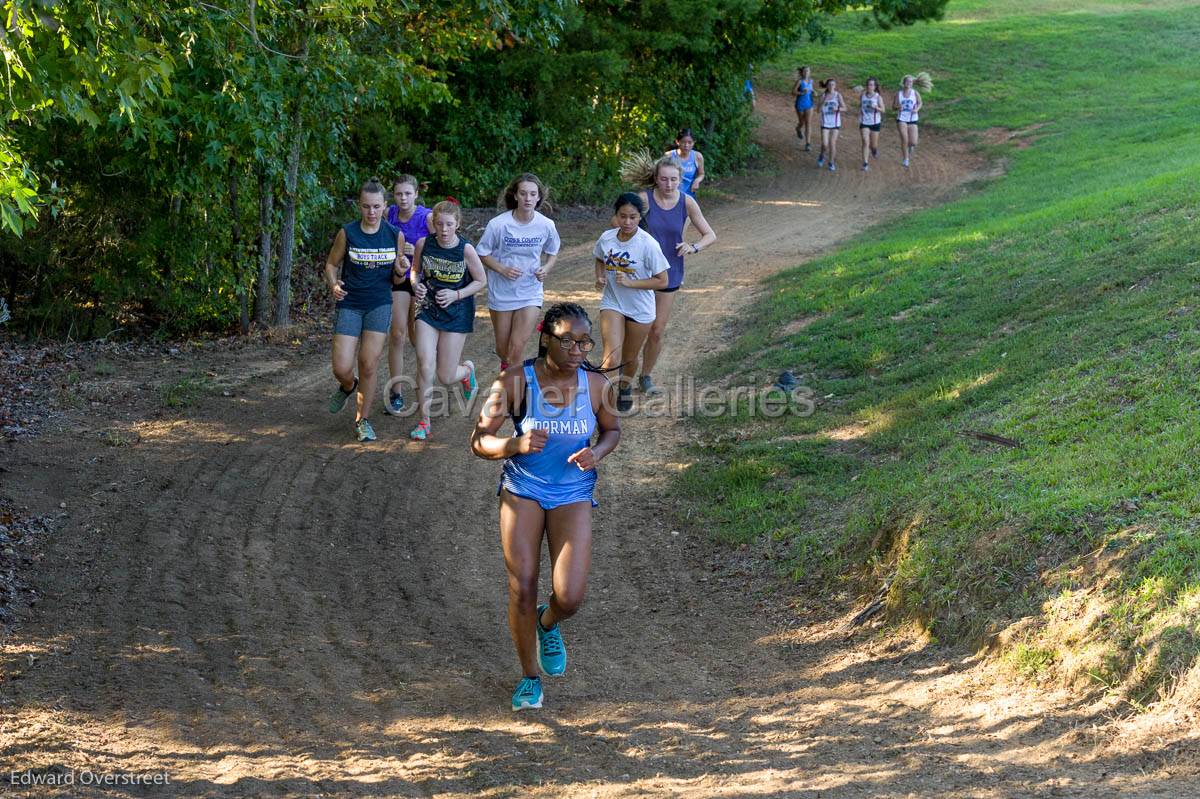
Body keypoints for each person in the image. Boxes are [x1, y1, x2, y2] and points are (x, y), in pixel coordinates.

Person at [470, 302, 621, 711]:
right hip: (523, 489)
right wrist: (512, 445)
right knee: (522, 586)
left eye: (584, 341)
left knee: (569, 597)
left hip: (573, 492)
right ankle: (529, 677)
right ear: (546, 339)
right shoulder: (515, 382)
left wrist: (598, 453)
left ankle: (547, 621)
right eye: (568, 340)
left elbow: (612, 430)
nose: (577, 349)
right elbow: (479, 439)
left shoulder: (596, 385)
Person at [324, 178, 406, 442]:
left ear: (385, 207)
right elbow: (330, 265)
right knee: (341, 367)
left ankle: (363, 420)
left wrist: (400, 272)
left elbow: (396, 279)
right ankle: (349, 385)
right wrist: (334, 284)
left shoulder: (395, 235)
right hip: (350, 302)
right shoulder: (348, 233)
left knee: (369, 364)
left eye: (377, 207)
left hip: (379, 303)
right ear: (359, 206)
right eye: (366, 207)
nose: (371, 213)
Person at [633, 155, 716, 397]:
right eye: (663, 179)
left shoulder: (687, 203)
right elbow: (619, 222)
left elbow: (710, 234)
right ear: (655, 179)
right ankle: (625, 375)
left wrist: (693, 247)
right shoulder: (643, 199)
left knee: (656, 330)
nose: (668, 184)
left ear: (681, 180)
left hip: (670, 271)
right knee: (637, 327)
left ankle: (645, 376)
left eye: (673, 180)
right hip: (640, 270)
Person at [409, 199, 487, 440]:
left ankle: (465, 372)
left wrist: (456, 294)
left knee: (445, 375)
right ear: (432, 223)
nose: (443, 229)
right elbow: (415, 271)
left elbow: (481, 280)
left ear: (458, 224)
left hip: (457, 311)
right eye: (439, 223)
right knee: (425, 363)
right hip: (428, 308)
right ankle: (424, 421)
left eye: (449, 224)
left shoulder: (465, 249)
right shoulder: (424, 243)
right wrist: (416, 286)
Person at [593, 193, 670, 412]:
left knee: (629, 358)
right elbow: (599, 257)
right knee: (611, 357)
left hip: (640, 308)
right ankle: (602, 404)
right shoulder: (607, 237)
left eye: (633, 217)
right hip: (613, 301)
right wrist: (599, 277)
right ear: (616, 215)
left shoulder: (648, 244)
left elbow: (663, 280)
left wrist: (630, 282)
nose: (627, 222)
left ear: (640, 217)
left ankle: (625, 386)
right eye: (622, 216)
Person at [477, 174, 562, 372]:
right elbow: (482, 252)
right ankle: (507, 370)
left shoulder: (546, 225)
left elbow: (553, 252)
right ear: (515, 196)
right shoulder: (498, 224)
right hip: (502, 291)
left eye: (533, 194)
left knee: (516, 349)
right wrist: (502, 269)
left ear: (539, 197)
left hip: (529, 291)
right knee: (503, 349)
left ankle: (511, 394)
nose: (528, 198)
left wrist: (545, 269)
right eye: (523, 193)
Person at [384, 175, 433, 414]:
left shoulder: (427, 217)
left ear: (415, 194)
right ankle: (396, 392)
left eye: (407, 194)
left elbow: (442, 244)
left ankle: (426, 387)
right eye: (398, 194)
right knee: (397, 333)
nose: (403, 198)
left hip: (423, 280)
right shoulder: (389, 214)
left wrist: (419, 250)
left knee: (417, 337)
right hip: (399, 278)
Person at [816, 78, 847, 172]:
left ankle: (831, 162)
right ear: (827, 86)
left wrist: (838, 109)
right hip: (825, 122)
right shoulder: (823, 96)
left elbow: (845, 108)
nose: (831, 86)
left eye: (833, 85)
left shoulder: (838, 95)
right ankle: (822, 155)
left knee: (832, 143)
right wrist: (823, 102)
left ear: (835, 86)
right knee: (825, 144)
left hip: (835, 123)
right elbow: (818, 111)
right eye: (829, 85)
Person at [893, 74, 923, 167]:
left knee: (913, 142)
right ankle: (906, 159)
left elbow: (920, 103)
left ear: (912, 83)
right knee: (904, 139)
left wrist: (916, 109)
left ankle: (910, 146)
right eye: (907, 82)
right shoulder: (899, 94)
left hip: (912, 119)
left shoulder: (915, 93)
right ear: (903, 83)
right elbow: (893, 106)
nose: (908, 83)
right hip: (901, 119)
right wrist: (898, 107)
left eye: (910, 82)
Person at [665, 128, 705, 197]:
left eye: (690, 142)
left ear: (694, 143)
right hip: (671, 195)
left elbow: (701, 174)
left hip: (689, 195)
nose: (686, 145)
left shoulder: (697, 156)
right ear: (677, 142)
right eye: (683, 142)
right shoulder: (669, 156)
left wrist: (697, 181)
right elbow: (662, 175)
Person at [857, 78, 884, 172]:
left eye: (872, 85)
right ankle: (865, 163)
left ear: (875, 86)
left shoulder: (877, 97)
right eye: (868, 84)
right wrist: (859, 114)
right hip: (864, 122)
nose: (869, 86)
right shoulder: (862, 95)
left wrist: (876, 107)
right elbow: (860, 106)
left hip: (875, 123)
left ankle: (874, 151)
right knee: (865, 141)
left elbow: (883, 110)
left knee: (873, 146)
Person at [791, 66, 815, 152]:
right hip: (800, 104)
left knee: (808, 123)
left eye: (808, 71)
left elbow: (811, 90)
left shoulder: (811, 81)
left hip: (809, 104)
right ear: (802, 73)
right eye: (805, 71)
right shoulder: (799, 81)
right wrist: (801, 92)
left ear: (810, 72)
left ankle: (808, 144)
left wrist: (813, 92)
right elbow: (793, 92)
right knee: (802, 122)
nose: (806, 73)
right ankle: (798, 128)